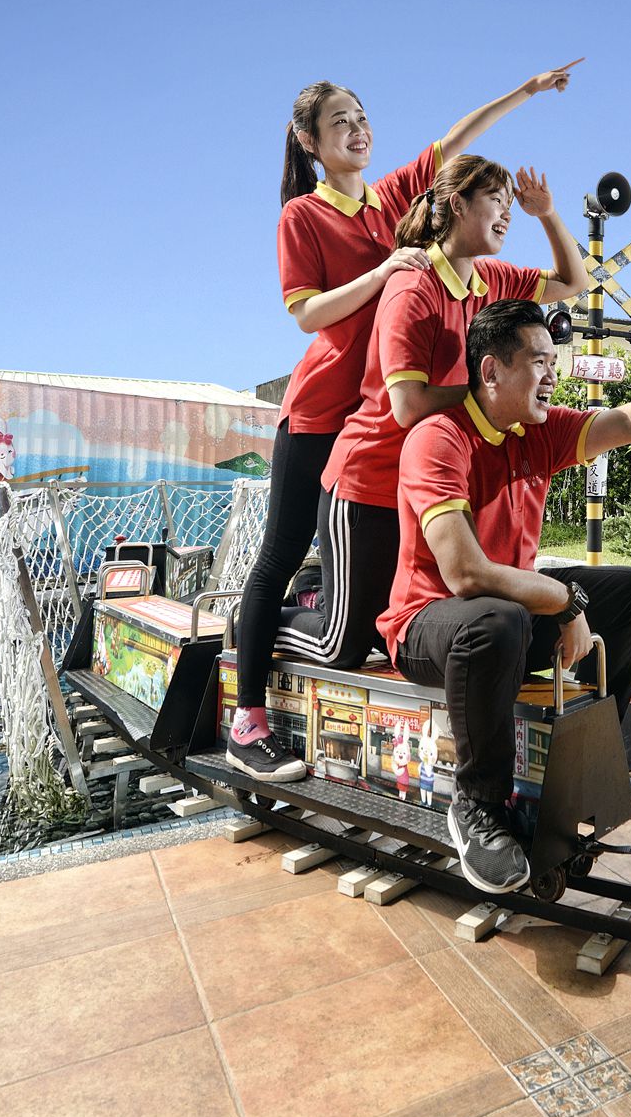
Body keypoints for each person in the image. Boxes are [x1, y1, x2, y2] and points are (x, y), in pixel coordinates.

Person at [227, 63, 582, 782]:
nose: (358, 130)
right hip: (323, 415)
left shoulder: (391, 200)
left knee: (378, 596)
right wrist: (385, 271)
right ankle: (249, 715)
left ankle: (326, 604)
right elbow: (305, 313)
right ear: (307, 141)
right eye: (339, 123)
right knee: (280, 553)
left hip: (386, 418)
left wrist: (526, 91)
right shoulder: (304, 216)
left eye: (362, 116)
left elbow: (455, 140)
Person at [380, 300, 631, 893]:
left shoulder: (537, 434)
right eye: (540, 362)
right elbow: (465, 574)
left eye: (556, 361)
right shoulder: (439, 440)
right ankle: (475, 806)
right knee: (496, 620)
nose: (553, 375)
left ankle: (584, 762)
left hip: (510, 619)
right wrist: (565, 601)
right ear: (492, 371)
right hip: (429, 626)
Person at [270, 156, 590, 677]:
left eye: (511, 204)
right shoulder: (413, 285)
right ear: (457, 204)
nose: (507, 214)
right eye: (496, 201)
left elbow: (571, 281)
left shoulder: (490, 280)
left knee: (392, 626)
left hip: (419, 487)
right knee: (343, 647)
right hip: (366, 482)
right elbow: (408, 405)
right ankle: (268, 616)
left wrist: (547, 213)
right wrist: (489, 397)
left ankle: (321, 590)